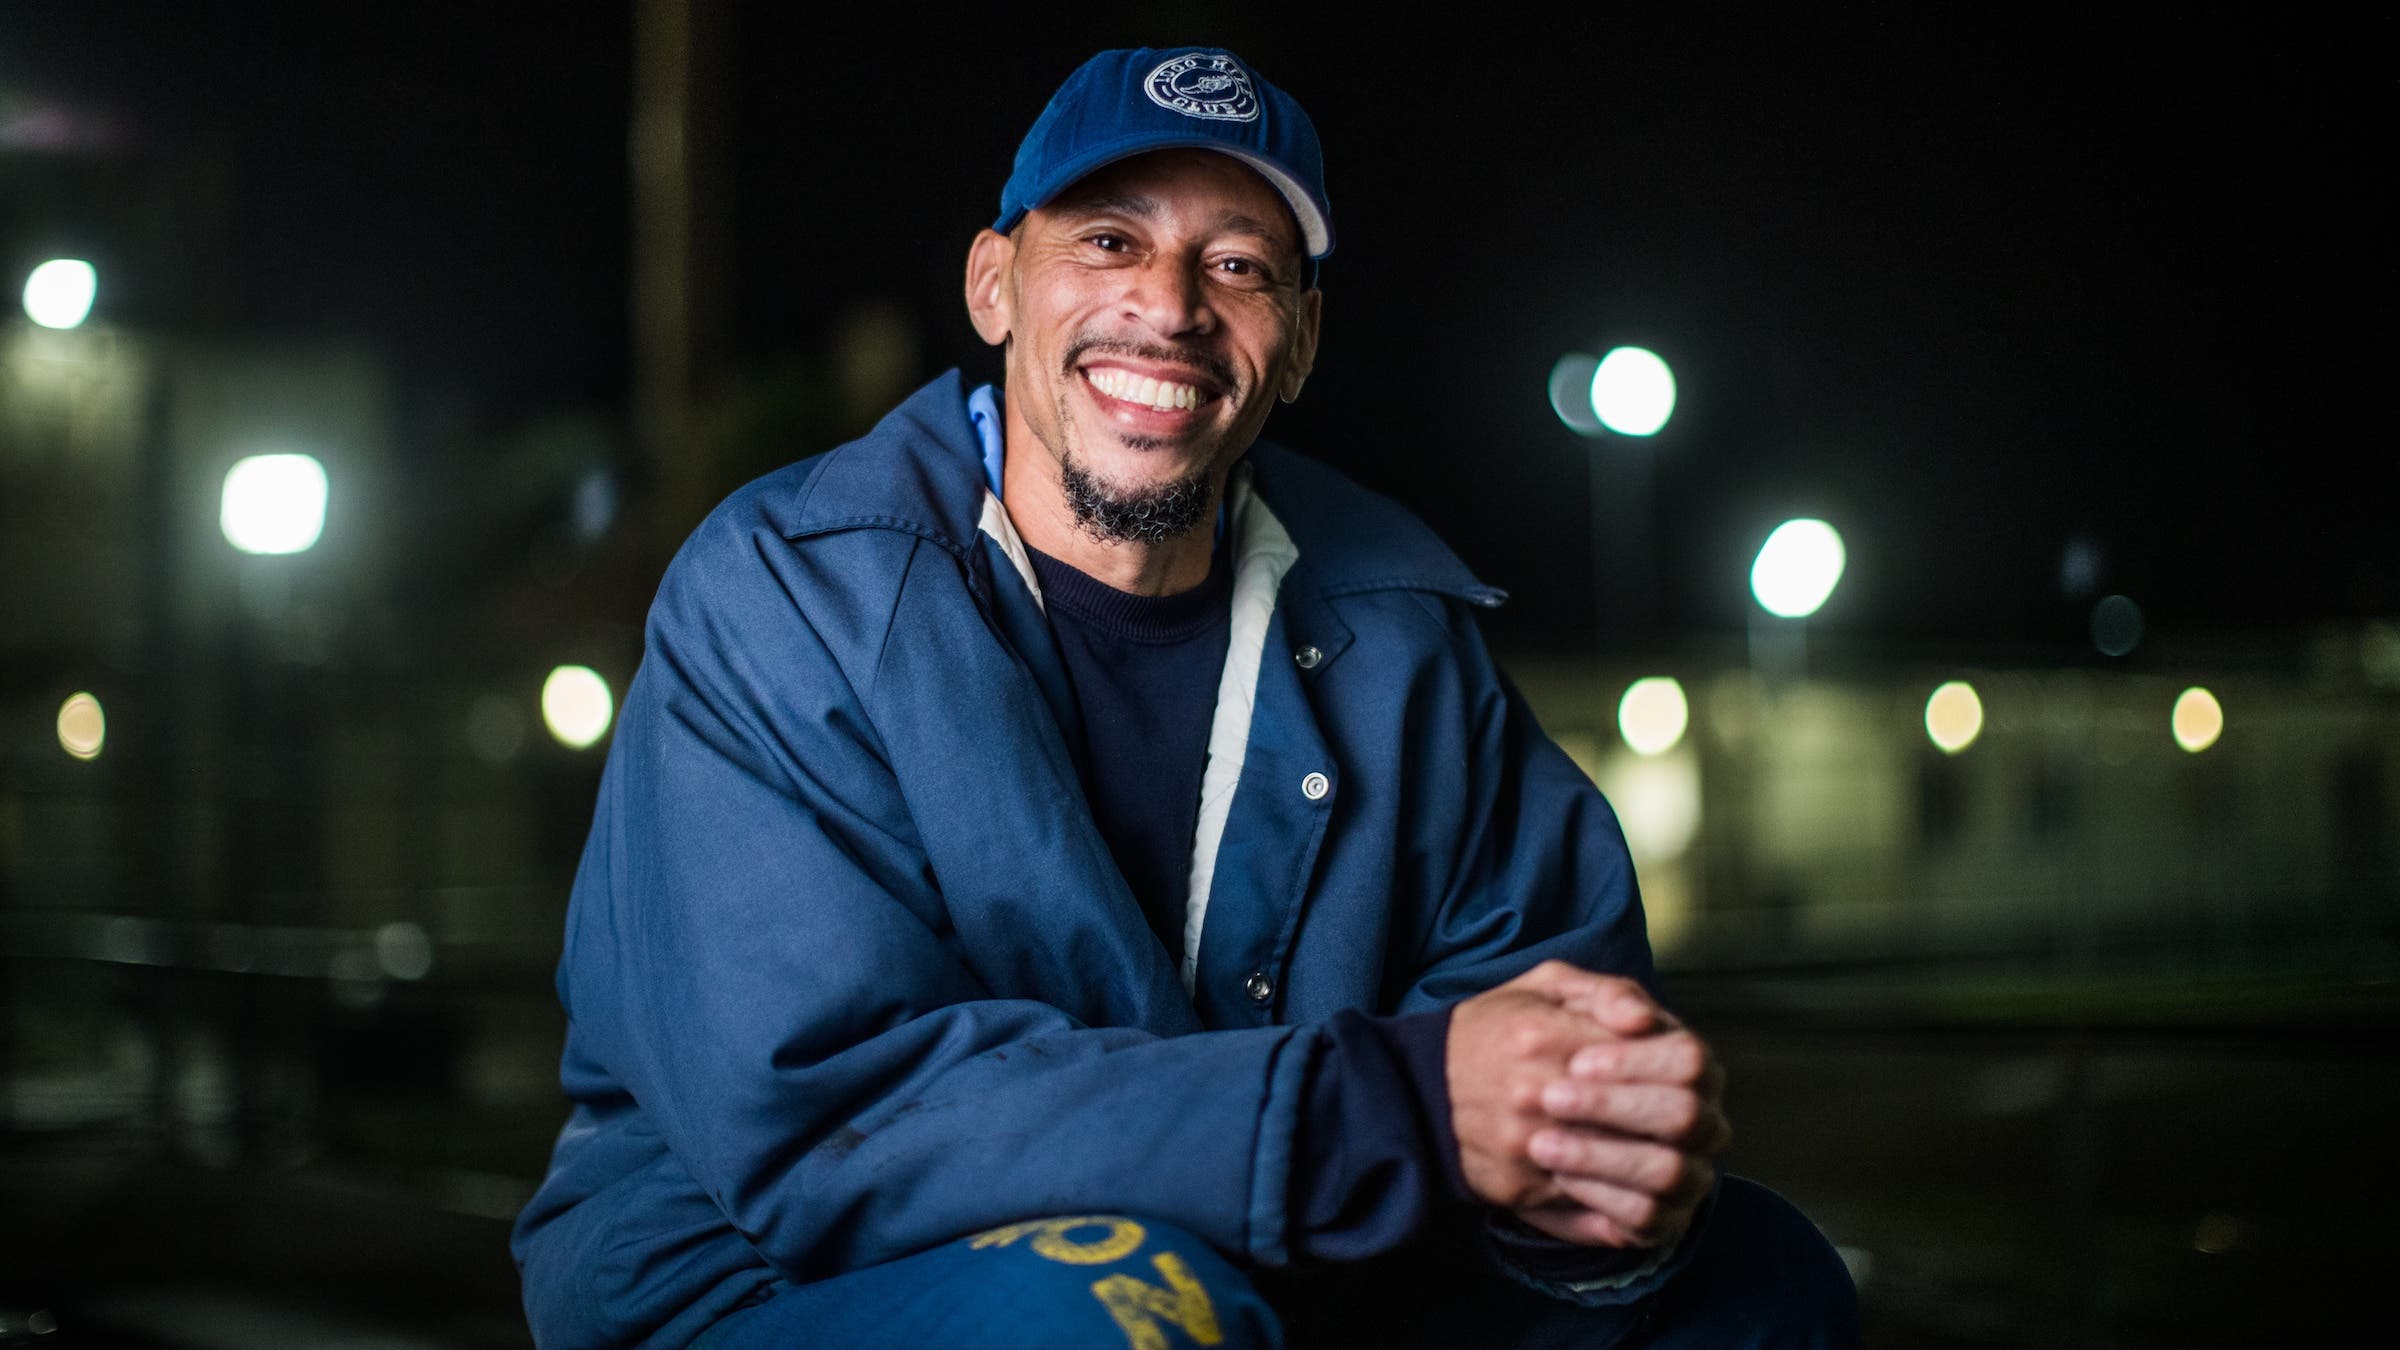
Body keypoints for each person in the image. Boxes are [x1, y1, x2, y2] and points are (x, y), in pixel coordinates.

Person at [512, 46, 1857, 1350]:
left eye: (1238, 263)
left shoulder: (1398, 631)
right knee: (1122, 1309)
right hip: (771, 1278)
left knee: (1754, 1274)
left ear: (1302, 337)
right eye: (1107, 241)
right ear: (994, 285)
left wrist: (1587, 1175)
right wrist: (1400, 1107)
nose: (1169, 306)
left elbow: (1542, 1011)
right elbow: (836, 1118)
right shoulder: (785, 592)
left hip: (1285, 1264)